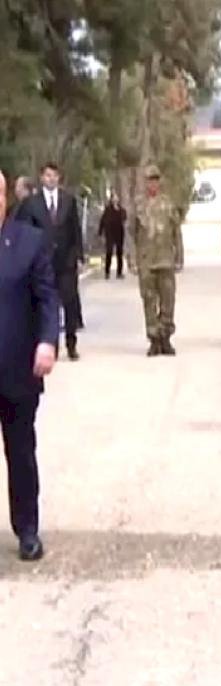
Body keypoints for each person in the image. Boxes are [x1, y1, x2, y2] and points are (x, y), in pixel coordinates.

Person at [0, 170, 61, 562]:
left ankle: (27, 529)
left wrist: (47, 342)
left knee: (20, 453)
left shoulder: (28, 241)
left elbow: (47, 296)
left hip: (16, 370)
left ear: (4, 198)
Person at [21, 163, 84, 361]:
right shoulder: (32, 204)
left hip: (66, 262)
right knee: (48, 305)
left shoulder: (68, 200)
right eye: (47, 175)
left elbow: (75, 230)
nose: (51, 179)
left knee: (70, 303)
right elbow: (26, 232)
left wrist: (78, 255)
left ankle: (71, 343)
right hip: (43, 263)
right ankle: (51, 344)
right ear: (41, 178)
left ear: (59, 178)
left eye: (54, 176)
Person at [131, 164, 184, 356]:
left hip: (165, 260)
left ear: (159, 182)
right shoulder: (138, 205)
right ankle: (153, 338)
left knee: (168, 300)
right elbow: (132, 234)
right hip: (146, 261)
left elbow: (176, 231)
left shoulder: (168, 204)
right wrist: (131, 258)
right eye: (149, 180)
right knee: (149, 300)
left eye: (155, 180)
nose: (152, 183)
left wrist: (179, 256)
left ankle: (166, 337)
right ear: (145, 183)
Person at [98, 192, 127, 279]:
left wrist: (119, 211)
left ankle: (119, 272)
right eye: (113, 198)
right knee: (109, 252)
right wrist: (100, 231)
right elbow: (102, 220)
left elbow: (124, 218)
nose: (115, 199)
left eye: (116, 198)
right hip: (110, 233)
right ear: (111, 199)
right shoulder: (108, 209)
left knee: (119, 253)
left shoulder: (121, 210)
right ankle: (107, 272)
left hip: (119, 233)